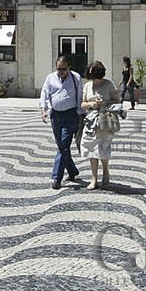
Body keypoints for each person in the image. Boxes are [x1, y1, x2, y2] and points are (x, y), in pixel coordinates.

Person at [39, 56, 83, 190]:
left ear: (68, 67)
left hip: (71, 115)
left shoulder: (76, 77)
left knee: (63, 145)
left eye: (63, 69)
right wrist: (43, 110)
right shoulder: (50, 78)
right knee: (61, 145)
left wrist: (81, 114)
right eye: (59, 69)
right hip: (55, 116)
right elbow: (44, 94)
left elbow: (80, 95)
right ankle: (72, 170)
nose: (61, 72)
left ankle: (56, 178)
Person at [80, 61, 122, 189]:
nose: (95, 81)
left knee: (103, 148)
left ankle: (105, 171)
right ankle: (93, 178)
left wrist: (104, 103)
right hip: (91, 122)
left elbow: (117, 101)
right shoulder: (87, 86)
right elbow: (82, 104)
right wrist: (92, 104)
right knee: (91, 149)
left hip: (105, 121)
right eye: (93, 77)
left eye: (97, 77)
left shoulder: (109, 84)